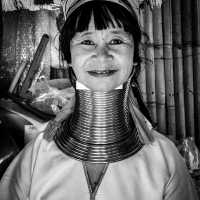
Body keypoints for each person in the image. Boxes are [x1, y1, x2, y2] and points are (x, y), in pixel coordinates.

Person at [0, 0, 198, 199]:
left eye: (116, 41)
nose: (102, 55)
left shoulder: (165, 159)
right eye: (87, 42)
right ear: (69, 58)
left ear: (135, 56)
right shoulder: (37, 155)